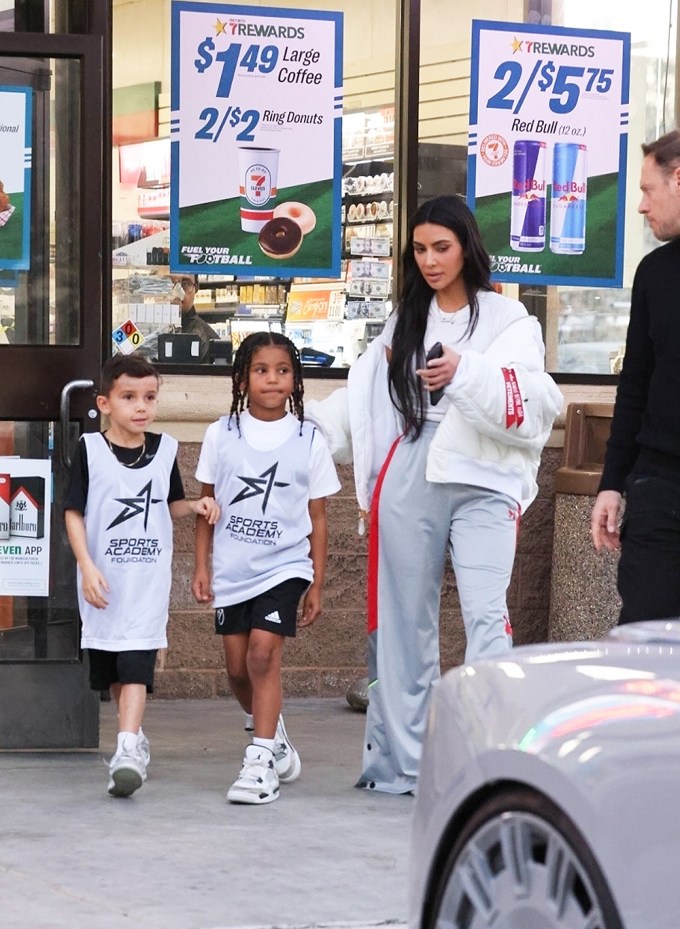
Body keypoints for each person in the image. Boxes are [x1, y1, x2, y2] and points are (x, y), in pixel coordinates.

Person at [306, 195, 562, 794]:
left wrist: (463, 372)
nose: (429, 260)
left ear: (467, 247)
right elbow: (367, 398)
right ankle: (411, 765)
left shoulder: (509, 320)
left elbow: (532, 401)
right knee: (401, 624)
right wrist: (309, 428)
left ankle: (492, 759)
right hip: (411, 470)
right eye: (419, 249)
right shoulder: (404, 320)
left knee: (485, 615)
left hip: (482, 479)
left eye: (441, 247)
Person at [192, 332, 341, 805]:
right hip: (234, 568)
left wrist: (316, 581)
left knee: (262, 654)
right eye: (261, 370)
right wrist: (202, 567)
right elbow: (206, 506)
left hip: (286, 565)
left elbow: (318, 517)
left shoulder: (308, 438)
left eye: (282, 370)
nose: (273, 379)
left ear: (295, 379)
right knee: (237, 670)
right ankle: (273, 735)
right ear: (241, 378)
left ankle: (259, 762)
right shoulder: (222, 433)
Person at [64, 354, 220, 797]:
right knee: (113, 666)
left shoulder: (165, 449)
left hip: (147, 580)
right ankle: (133, 737)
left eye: (149, 397)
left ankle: (128, 747)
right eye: (129, 397)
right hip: (104, 581)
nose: (141, 406)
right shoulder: (90, 450)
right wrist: (87, 566)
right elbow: (74, 513)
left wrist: (193, 506)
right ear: (105, 403)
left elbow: (168, 502)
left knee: (136, 662)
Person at [591, 130, 680, 623]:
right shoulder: (654, 272)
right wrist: (612, 484)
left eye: (648, 190)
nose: (642, 207)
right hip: (660, 484)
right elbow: (635, 386)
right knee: (647, 633)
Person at [170, 274, 219, 363]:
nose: (176, 293)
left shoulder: (207, 339)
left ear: (196, 288)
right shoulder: (143, 329)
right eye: (168, 283)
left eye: (185, 284)